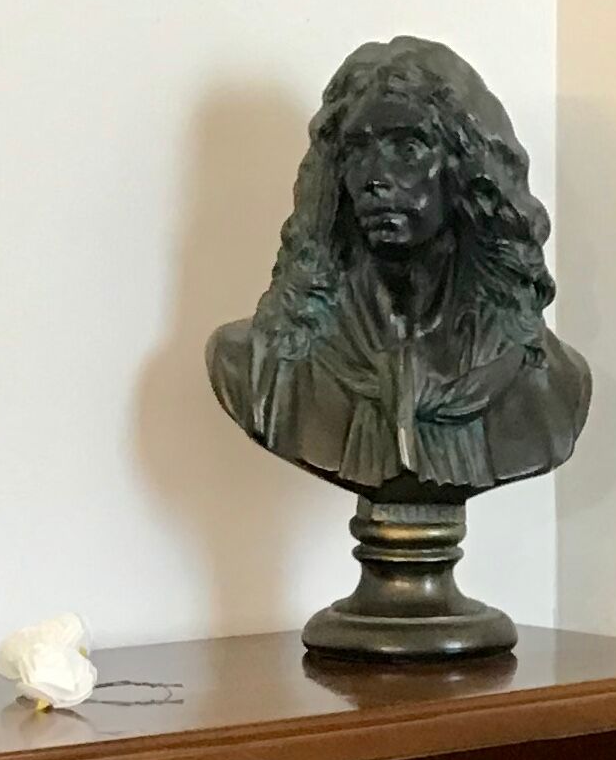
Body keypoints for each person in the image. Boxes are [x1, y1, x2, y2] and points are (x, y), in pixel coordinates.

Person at [209, 37, 591, 500]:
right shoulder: (260, 364)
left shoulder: (546, 379)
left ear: (467, 170)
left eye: (408, 148)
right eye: (357, 149)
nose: (375, 176)